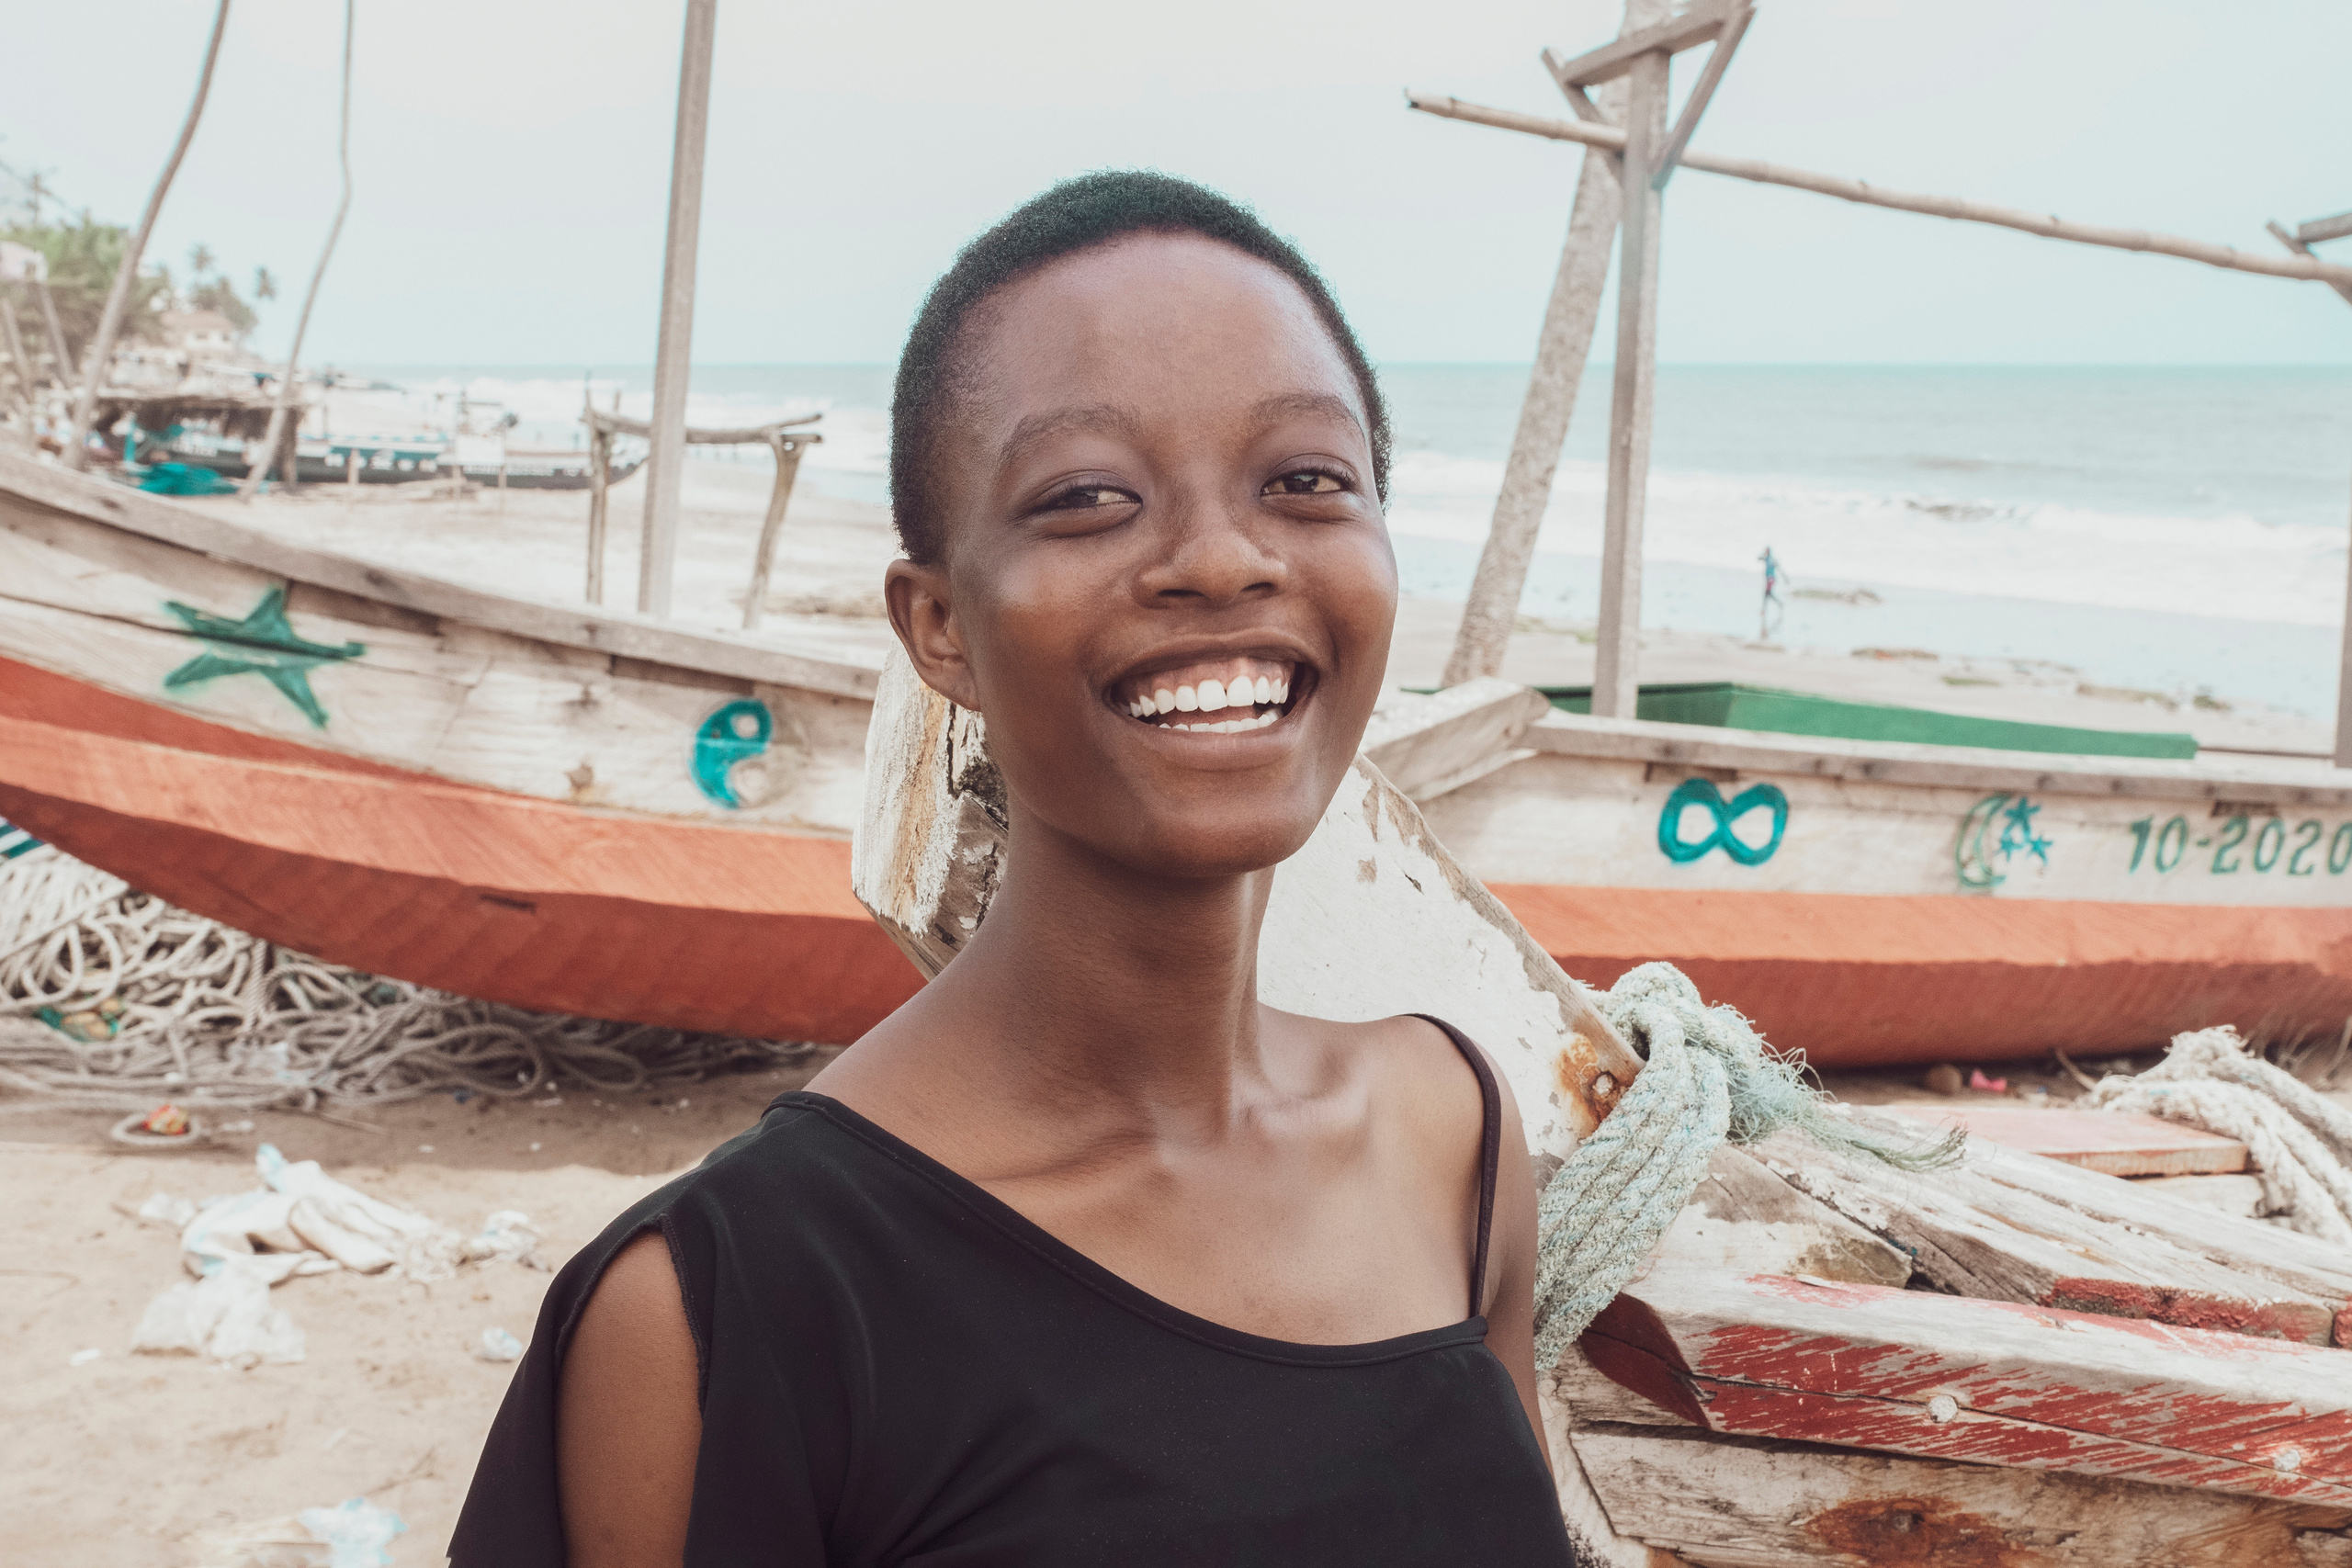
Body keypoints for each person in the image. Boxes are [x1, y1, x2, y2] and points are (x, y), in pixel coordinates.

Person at [450, 171, 1577, 1568]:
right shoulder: (728, 1312)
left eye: (1304, 481)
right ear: (939, 629)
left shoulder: (1451, 1139)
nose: (1224, 558)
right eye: (1090, 497)